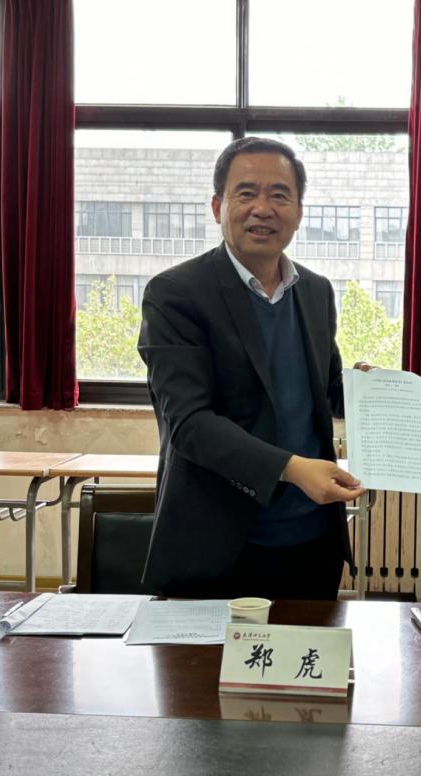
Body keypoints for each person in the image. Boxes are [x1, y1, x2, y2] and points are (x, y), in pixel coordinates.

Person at [137, 137, 364, 600]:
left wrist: (388, 397)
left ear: (299, 212)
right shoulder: (176, 294)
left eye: (279, 194)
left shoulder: (315, 291)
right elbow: (189, 423)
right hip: (219, 549)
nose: (263, 208)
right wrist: (292, 469)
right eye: (246, 193)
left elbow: (326, 390)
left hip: (312, 542)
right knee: (211, 655)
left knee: (306, 649)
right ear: (218, 207)